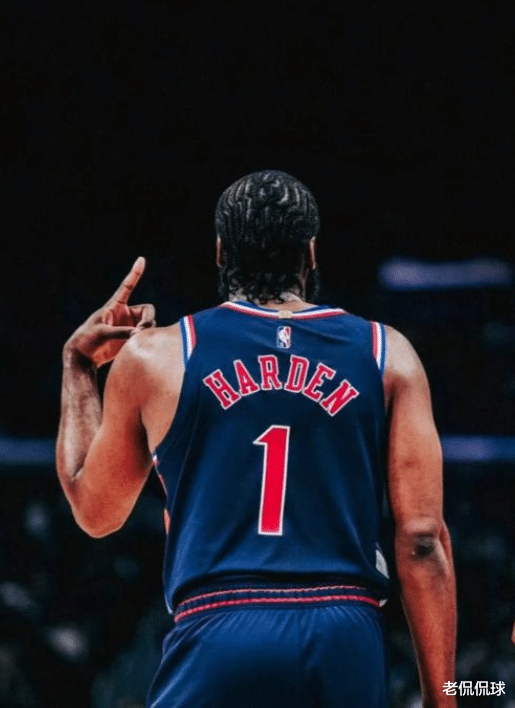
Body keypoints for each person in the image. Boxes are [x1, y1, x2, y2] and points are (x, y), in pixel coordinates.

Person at [57, 170, 457, 707]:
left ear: (220, 252)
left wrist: (79, 365)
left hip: (219, 628)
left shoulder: (157, 355)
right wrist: (445, 696)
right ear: (310, 253)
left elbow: (95, 513)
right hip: (343, 632)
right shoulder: (387, 354)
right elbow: (423, 539)